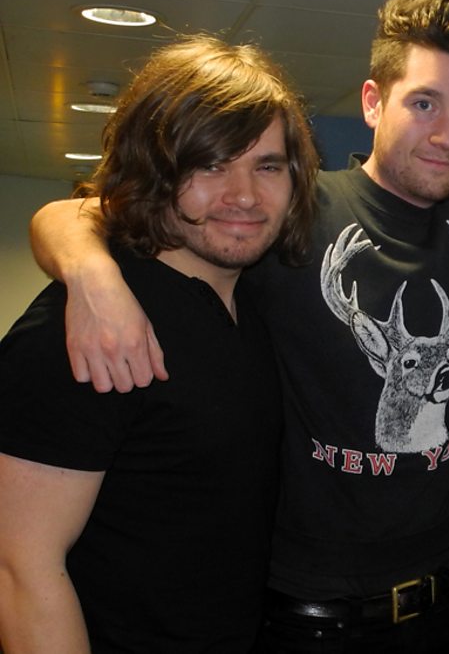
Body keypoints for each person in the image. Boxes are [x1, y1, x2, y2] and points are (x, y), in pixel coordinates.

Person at [27, 0, 449, 650]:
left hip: (442, 606)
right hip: (311, 619)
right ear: (373, 102)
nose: (447, 136)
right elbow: (88, 211)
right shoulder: (290, 211)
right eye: (424, 103)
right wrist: (89, 272)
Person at [0, 35, 318, 652]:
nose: (245, 196)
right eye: (210, 165)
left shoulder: (252, 305)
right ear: (153, 172)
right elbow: (21, 568)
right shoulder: (88, 325)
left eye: (267, 166)